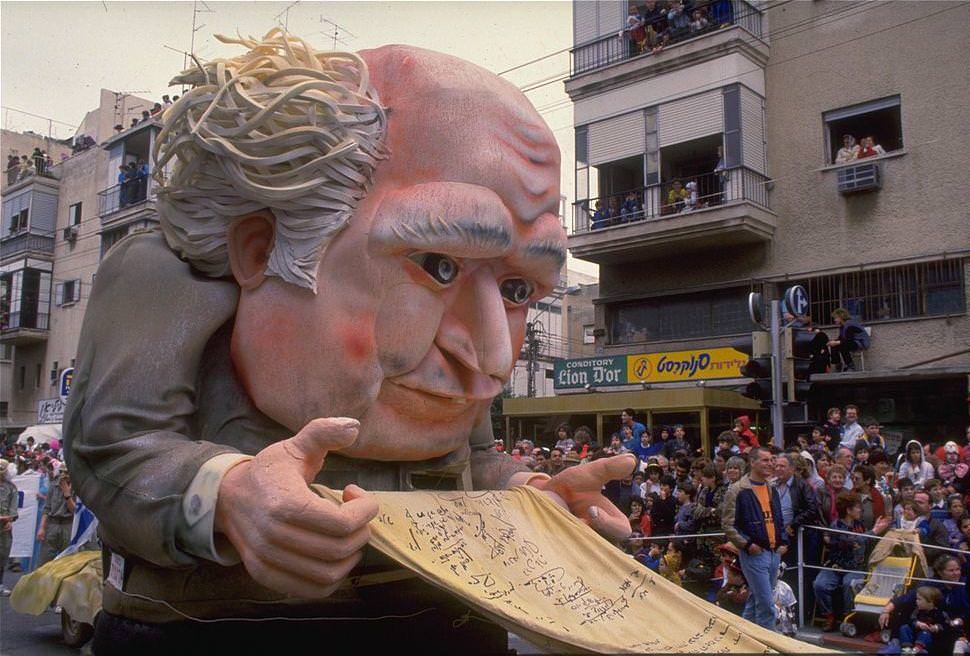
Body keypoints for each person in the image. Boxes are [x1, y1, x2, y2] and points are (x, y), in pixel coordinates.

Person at [65, 30, 637, 652]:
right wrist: (228, 496)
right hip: (221, 630)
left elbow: (465, 465)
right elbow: (112, 445)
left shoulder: (459, 358)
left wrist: (529, 500)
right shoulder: (166, 276)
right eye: (438, 265)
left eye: (519, 290)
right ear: (261, 247)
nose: (495, 356)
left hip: (442, 621)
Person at [722, 446, 788, 630]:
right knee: (767, 605)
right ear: (753, 462)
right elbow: (728, 524)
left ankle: (744, 637)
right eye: (765, 460)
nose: (770, 464)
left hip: (774, 553)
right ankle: (770, 645)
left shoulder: (771, 488)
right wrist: (747, 544)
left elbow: (778, 518)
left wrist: (783, 542)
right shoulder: (737, 490)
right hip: (754, 554)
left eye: (771, 460)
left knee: (756, 599)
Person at [813, 490, 889, 630]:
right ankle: (828, 615)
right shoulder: (836, 526)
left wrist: (875, 530)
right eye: (858, 507)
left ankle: (848, 617)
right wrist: (874, 532)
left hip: (856, 567)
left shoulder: (859, 525)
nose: (861, 509)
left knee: (850, 585)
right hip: (835, 566)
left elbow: (865, 540)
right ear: (848, 510)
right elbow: (851, 540)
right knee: (820, 584)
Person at [37, 469, 76, 565]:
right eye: (62, 472)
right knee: (45, 560)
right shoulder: (53, 486)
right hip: (52, 524)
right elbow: (47, 508)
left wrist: (67, 494)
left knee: (66, 561)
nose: (64, 475)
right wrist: (41, 528)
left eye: (67, 473)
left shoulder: (77, 488)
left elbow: (75, 511)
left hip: (68, 525)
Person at [0, 459, 18, 597]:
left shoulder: (11, 488)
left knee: (3, 555)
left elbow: (13, 509)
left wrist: (10, 519)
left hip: (4, 527)